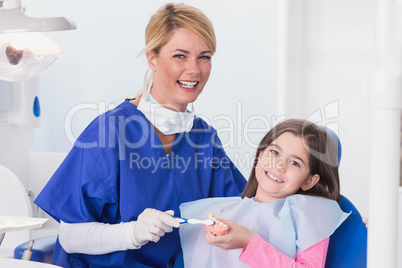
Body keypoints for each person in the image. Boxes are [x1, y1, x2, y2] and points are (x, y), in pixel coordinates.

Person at [34, 3, 246, 267]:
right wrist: (132, 233)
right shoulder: (109, 132)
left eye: (204, 56)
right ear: (152, 58)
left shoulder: (203, 139)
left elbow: (241, 212)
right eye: (180, 56)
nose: (194, 70)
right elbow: (69, 236)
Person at [178, 119, 349, 267]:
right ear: (260, 154)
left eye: (295, 163)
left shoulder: (311, 216)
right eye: (274, 152)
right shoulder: (223, 212)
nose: (279, 165)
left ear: (309, 181)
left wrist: (248, 242)